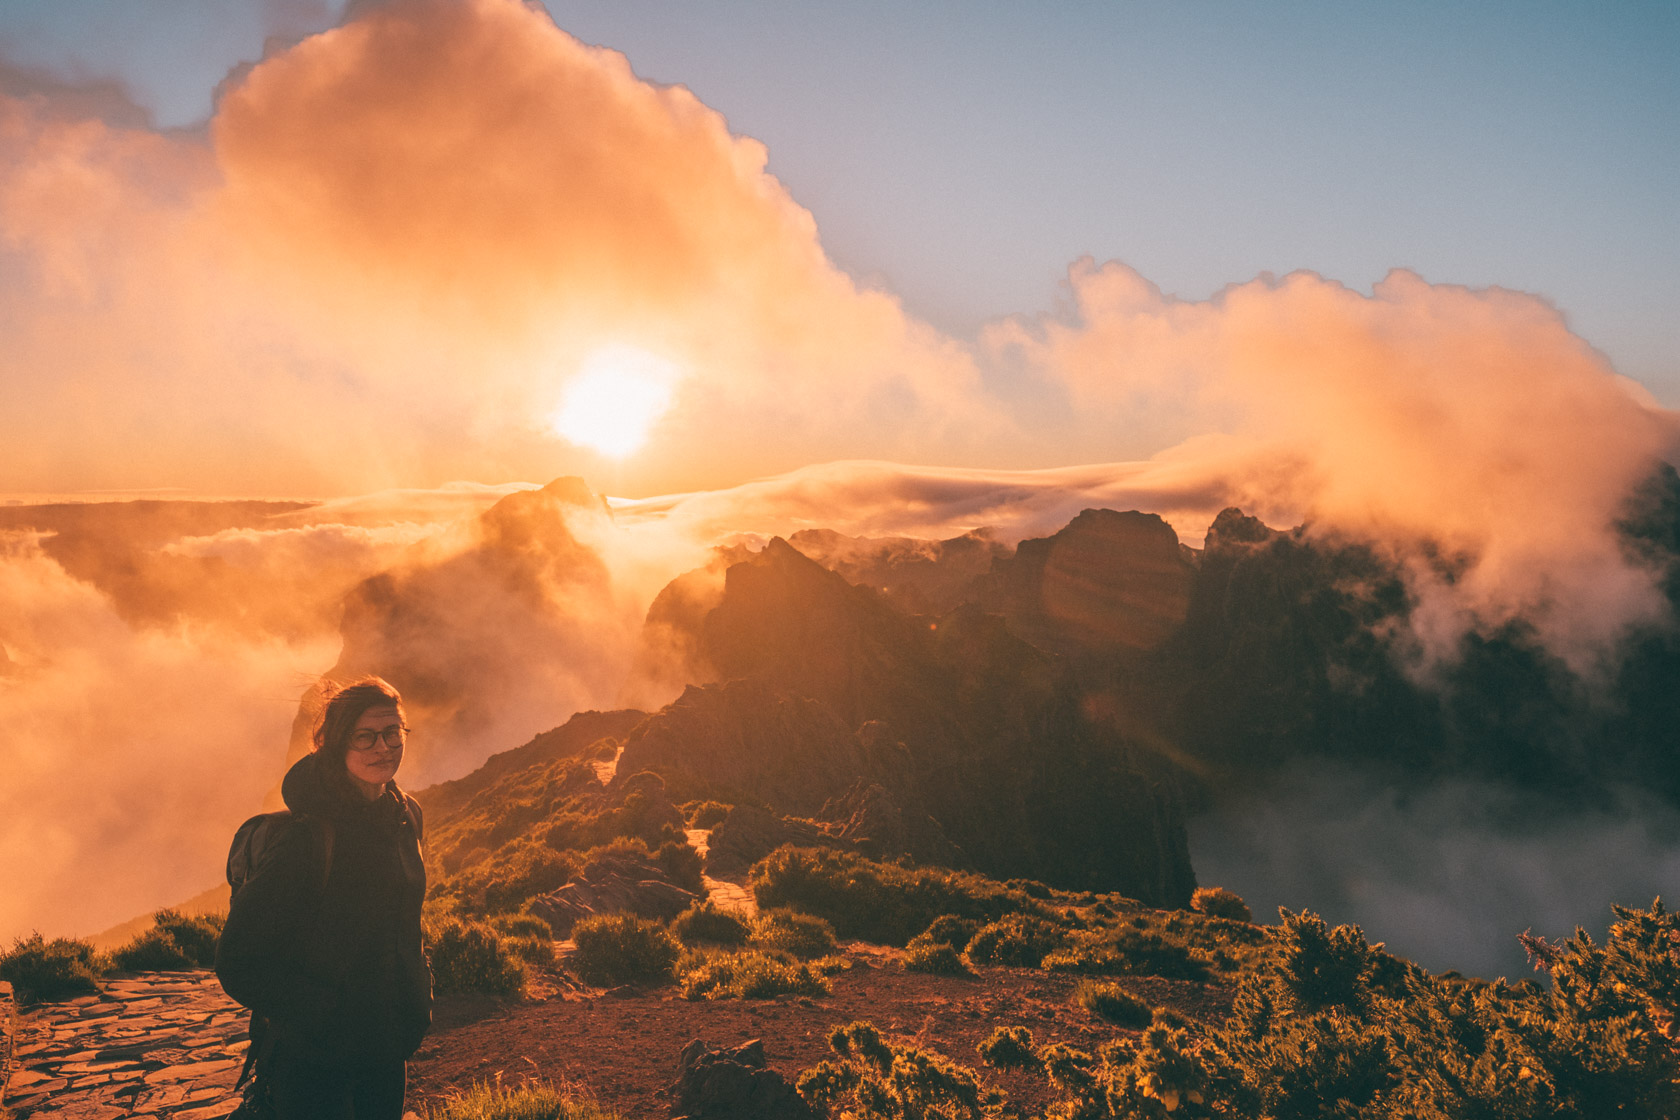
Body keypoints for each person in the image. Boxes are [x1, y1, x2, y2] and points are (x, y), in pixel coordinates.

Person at [217, 677, 432, 1119]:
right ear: (335, 744)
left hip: (386, 1048)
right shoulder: (307, 837)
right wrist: (321, 1015)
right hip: (313, 1063)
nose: (383, 747)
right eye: (365, 737)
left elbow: (404, 919)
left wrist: (417, 997)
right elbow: (236, 961)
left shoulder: (406, 816)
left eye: (393, 732)